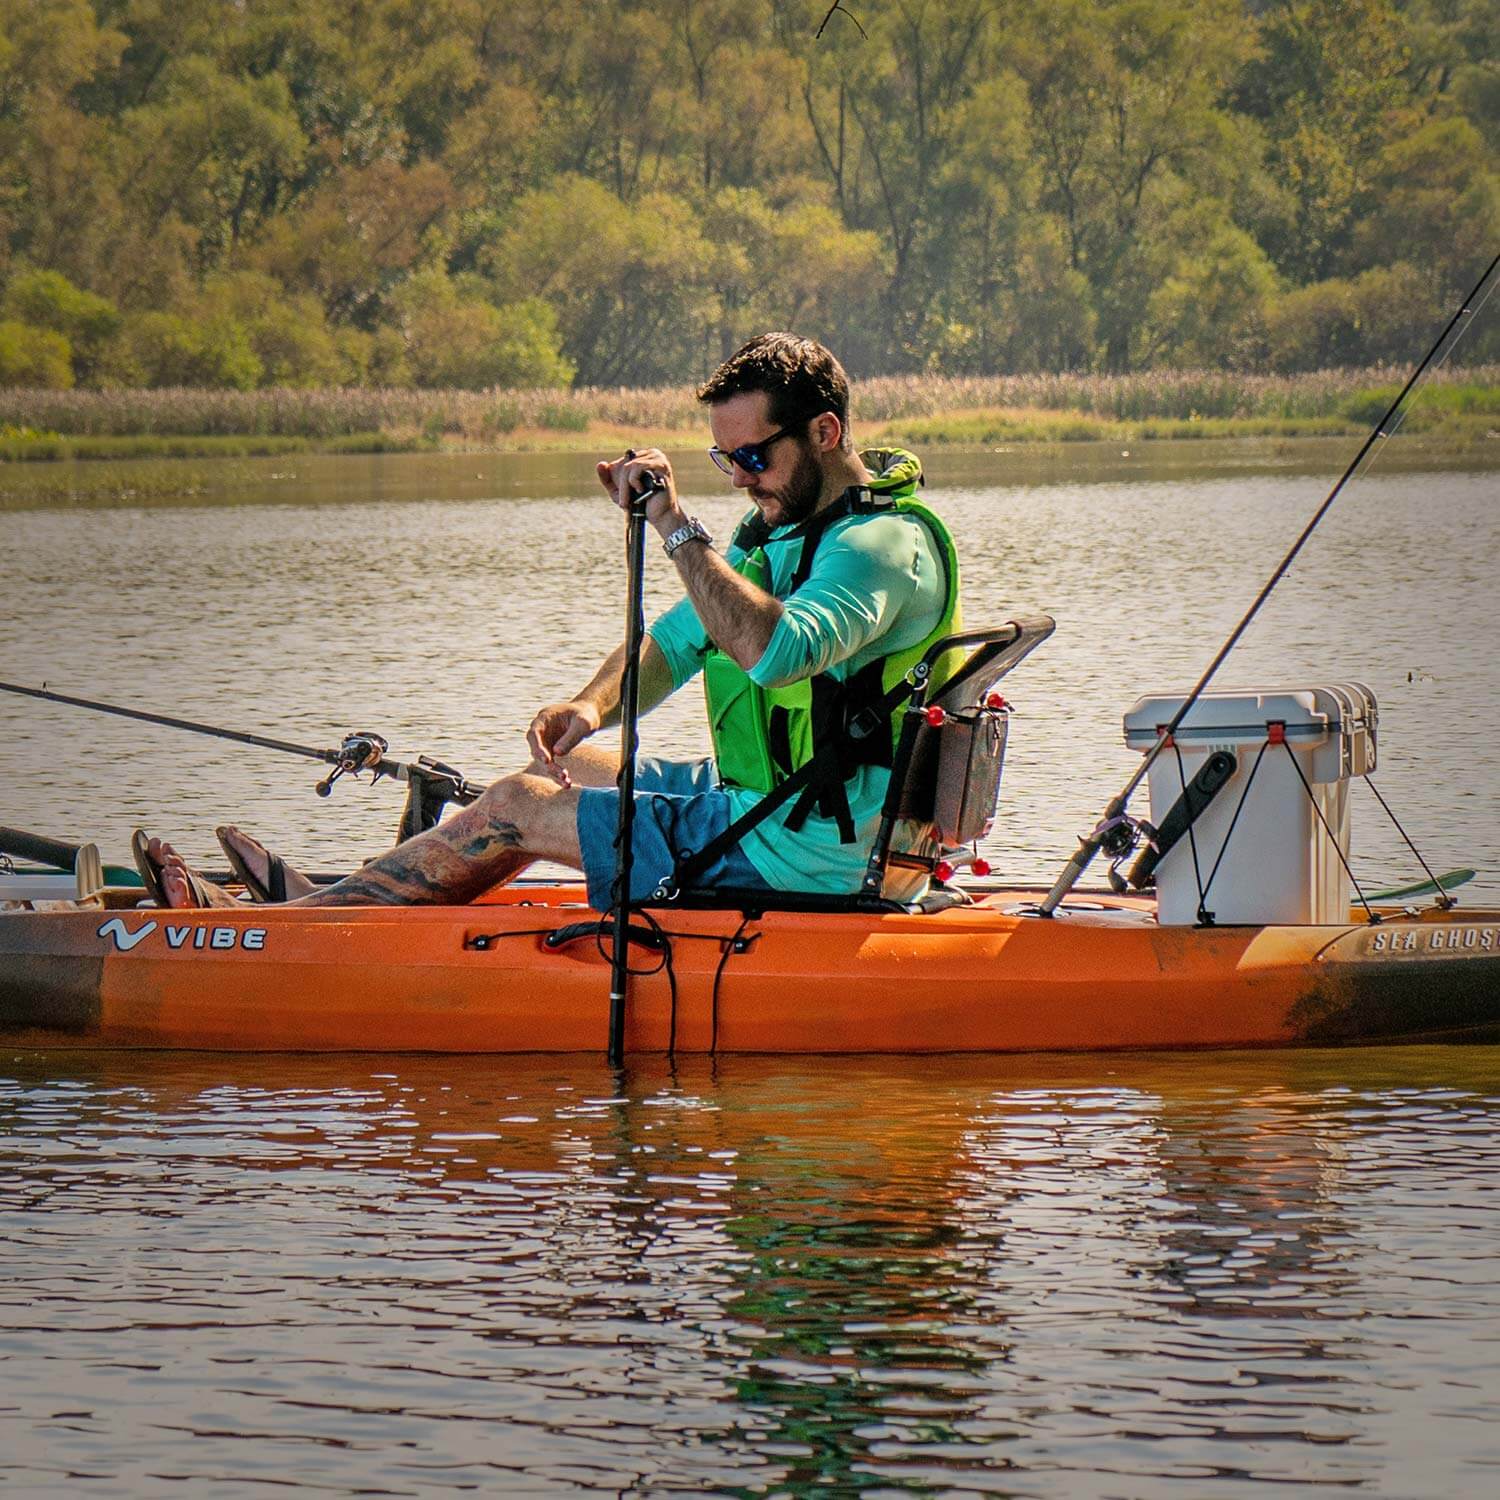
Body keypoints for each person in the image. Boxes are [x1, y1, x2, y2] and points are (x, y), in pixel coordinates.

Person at [141, 332, 961, 912]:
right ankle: (346, 896)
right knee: (582, 764)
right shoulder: (795, 534)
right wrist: (588, 706)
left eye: (753, 457)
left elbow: (779, 651)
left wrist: (676, 528)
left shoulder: (878, 546)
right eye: (725, 460)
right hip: (787, 809)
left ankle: (292, 932)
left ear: (826, 433)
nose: (742, 480)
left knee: (514, 807)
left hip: (811, 855)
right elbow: (675, 645)